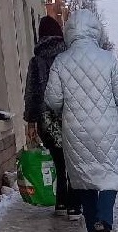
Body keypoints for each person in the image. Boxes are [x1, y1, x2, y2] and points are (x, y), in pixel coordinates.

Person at [44, 9, 118, 232]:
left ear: (69, 32)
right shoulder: (108, 59)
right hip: (106, 129)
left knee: (82, 177)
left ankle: (92, 226)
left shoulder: (61, 61)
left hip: (75, 131)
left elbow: (52, 100)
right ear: (95, 31)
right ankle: (105, 221)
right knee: (109, 175)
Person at [23, 15, 81, 219]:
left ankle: (61, 202)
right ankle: (74, 206)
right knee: (73, 160)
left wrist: (30, 121)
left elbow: (31, 93)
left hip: (46, 121)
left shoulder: (36, 61)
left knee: (58, 161)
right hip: (70, 116)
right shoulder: (69, 56)